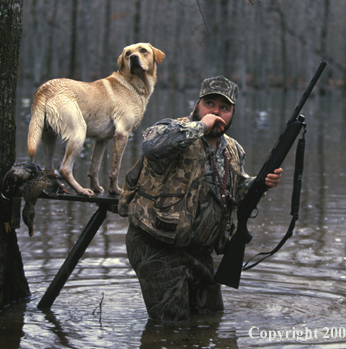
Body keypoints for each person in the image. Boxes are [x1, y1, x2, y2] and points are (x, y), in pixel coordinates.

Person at [120, 76, 283, 322]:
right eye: (210, 104)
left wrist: (260, 184)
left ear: (232, 113)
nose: (216, 112)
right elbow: (151, 146)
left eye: (225, 108)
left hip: (199, 251)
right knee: (172, 327)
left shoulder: (234, 150)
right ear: (197, 105)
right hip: (157, 245)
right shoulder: (172, 130)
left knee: (211, 318)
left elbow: (236, 192)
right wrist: (202, 127)